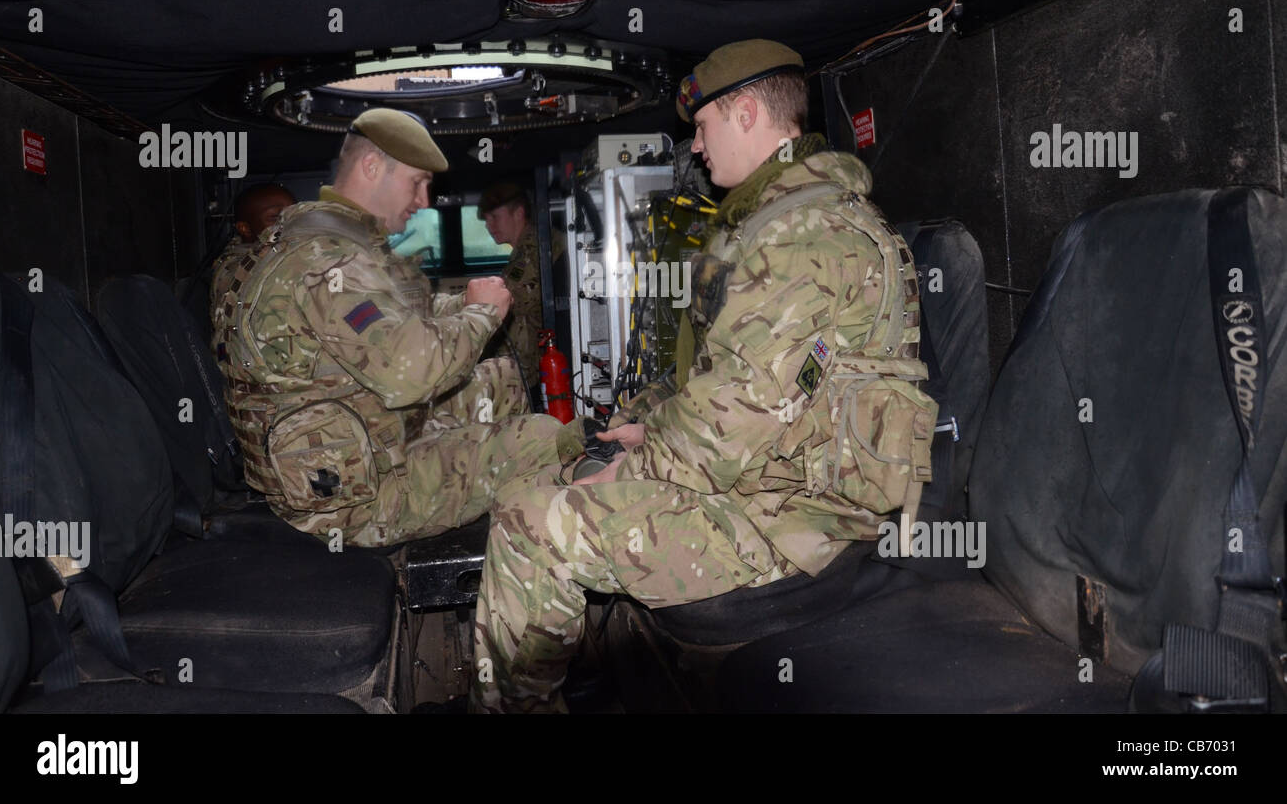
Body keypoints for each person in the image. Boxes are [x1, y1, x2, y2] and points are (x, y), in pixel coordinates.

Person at [470, 40, 939, 712]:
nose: (694, 146)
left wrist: (622, 469)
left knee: (528, 519)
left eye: (703, 124)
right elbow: (721, 384)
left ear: (746, 112)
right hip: (764, 490)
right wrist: (636, 425)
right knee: (564, 471)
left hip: (794, 529)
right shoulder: (778, 222)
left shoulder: (807, 238)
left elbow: (721, 435)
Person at [213, 109, 572, 547]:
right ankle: (520, 566)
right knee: (545, 439)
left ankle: (493, 517)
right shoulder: (328, 262)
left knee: (498, 380)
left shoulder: (323, 244)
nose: (423, 201)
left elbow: (394, 315)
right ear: (371, 168)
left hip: (353, 448)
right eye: (416, 182)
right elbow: (410, 376)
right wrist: (481, 316)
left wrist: (464, 304)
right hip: (350, 501)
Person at [477, 181, 556, 376]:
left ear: (519, 213)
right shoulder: (527, 247)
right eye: (486, 219)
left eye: (494, 217)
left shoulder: (533, 250)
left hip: (535, 366)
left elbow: (508, 299)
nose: (488, 225)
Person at [209, 183, 295, 330]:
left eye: (294, 215)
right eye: (275, 218)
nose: (289, 223)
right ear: (245, 229)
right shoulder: (236, 269)